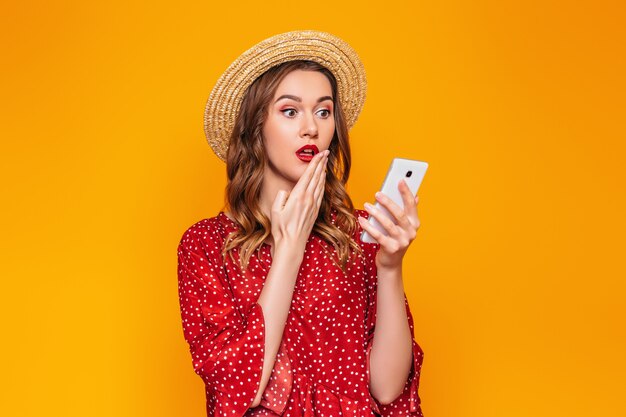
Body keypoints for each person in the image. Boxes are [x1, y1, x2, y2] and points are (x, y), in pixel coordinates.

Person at [177, 30, 425, 417]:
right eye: (290, 111)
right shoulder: (205, 245)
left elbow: (388, 389)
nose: (311, 127)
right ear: (254, 126)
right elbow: (241, 390)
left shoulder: (357, 234)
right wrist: (289, 249)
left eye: (323, 111)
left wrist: (390, 267)